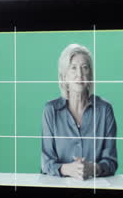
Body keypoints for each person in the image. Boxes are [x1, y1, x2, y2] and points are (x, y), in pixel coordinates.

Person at [41, 43, 117, 179]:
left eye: (85, 68)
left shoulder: (105, 110)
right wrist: (67, 169)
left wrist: (93, 168)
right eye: (73, 68)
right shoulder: (51, 110)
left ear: (91, 75)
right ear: (64, 76)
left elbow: (111, 162)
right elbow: (46, 163)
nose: (80, 74)